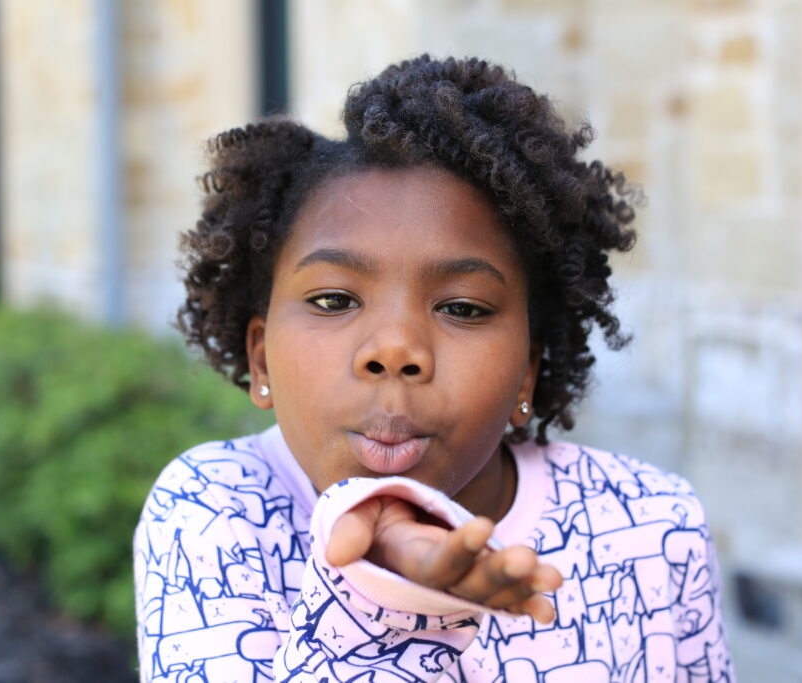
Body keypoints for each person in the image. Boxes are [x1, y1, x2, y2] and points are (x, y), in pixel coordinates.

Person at [133, 55, 735, 682]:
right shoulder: (213, 510)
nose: (394, 349)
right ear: (262, 358)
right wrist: (384, 596)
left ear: (526, 375)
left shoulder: (653, 524)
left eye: (462, 308)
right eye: (334, 300)